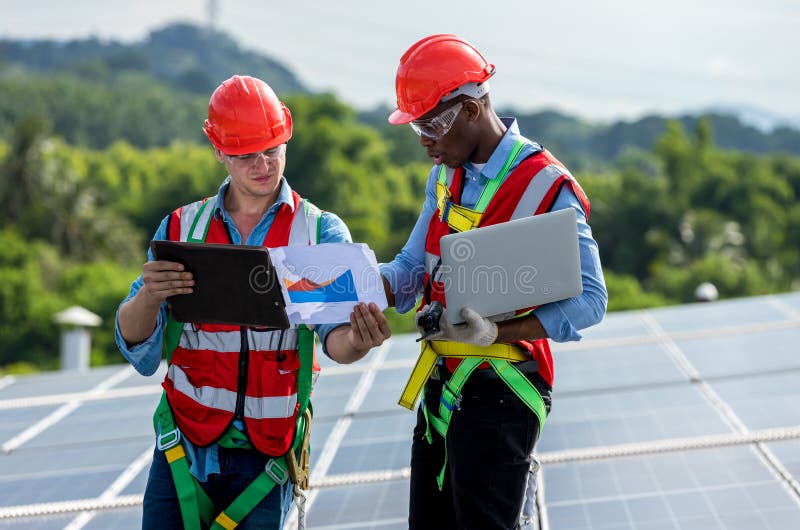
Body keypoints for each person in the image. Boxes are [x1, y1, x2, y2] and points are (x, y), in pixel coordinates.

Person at [115, 75, 391, 529]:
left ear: (286, 136)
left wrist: (360, 339)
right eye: (245, 155)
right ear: (219, 151)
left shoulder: (318, 232)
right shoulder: (184, 228)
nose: (263, 165)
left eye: (272, 149)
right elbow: (135, 344)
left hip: (268, 457)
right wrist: (149, 294)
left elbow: (336, 343)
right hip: (184, 447)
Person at [379, 35, 607, 529]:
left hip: (504, 391)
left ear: (471, 108)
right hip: (442, 387)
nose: (424, 141)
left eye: (431, 124)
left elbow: (591, 300)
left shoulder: (546, 186)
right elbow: (412, 268)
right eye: (416, 126)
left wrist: (498, 334)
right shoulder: (443, 179)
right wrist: (362, 284)